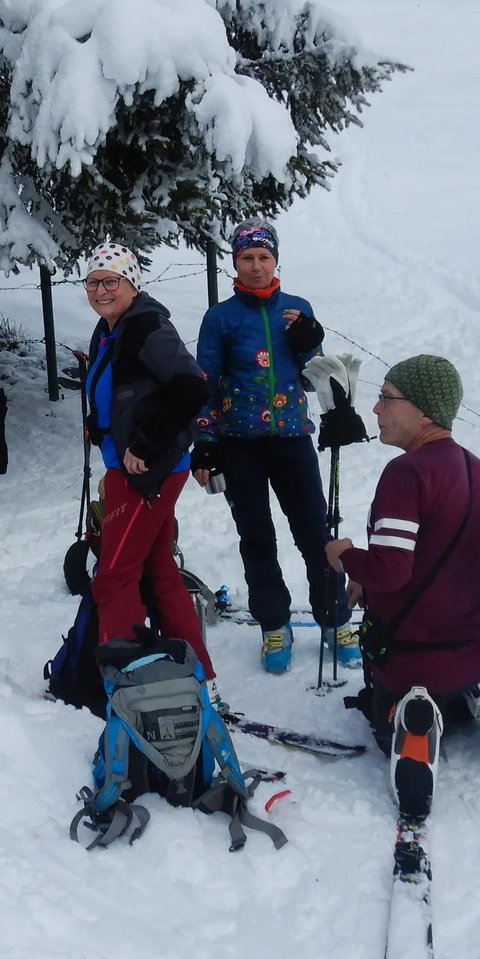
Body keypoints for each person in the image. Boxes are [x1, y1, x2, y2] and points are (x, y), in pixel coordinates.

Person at [323, 354, 480, 764]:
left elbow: (391, 571)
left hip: (416, 658)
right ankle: (479, 693)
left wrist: (345, 557)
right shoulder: (475, 466)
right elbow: (437, 556)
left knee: (385, 710)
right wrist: (367, 573)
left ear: (424, 412)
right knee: (458, 672)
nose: (376, 407)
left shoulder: (407, 472)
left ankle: (416, 717)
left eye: (387, 398)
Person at [191, 219, 349, 675]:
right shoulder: (220, 318)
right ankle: (273, 624)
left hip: (293, 440)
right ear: (234, 263)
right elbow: (205, 382)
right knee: (257, 537)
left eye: (264, 257)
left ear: (276, 260)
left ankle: (335, 619)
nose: (256, 266)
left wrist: (310, 344)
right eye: (247, 258)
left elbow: (312, 374)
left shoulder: (296, 309)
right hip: (240, 443)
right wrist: (204, 442)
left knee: (315, 534)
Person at [79, 242, 219, 688]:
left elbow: (191, 387)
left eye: (111, 281)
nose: (101, 290)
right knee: (158, 571)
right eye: (93, 282)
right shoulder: (111, 328)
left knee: (114, 575)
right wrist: (99, 425)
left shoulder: (145, 327)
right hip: (137, 467)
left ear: (131, 284)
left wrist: (145, 442)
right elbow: (124, 389)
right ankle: (199, 675)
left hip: (146, 472)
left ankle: (121, 682)